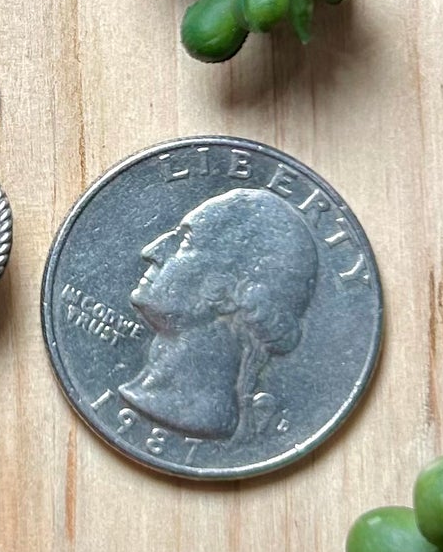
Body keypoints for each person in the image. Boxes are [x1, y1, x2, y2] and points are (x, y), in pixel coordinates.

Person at [119, 185, 320, 444]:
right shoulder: (153, 392)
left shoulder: (197, 414)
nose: (152, 250)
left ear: (228, 290)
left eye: (186, 241)